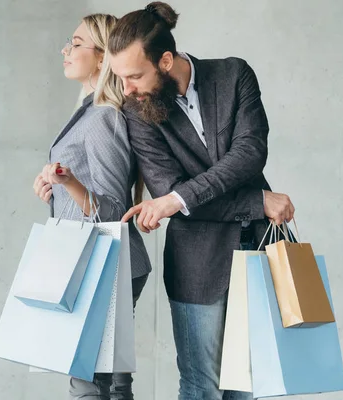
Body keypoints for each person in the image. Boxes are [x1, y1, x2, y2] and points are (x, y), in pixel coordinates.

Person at [104, 3, 295, 400]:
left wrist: (178, 198)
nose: (128, 89)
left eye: (135, 76)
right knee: (200, 385)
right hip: (197, 263)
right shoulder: (136, 112)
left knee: (250, 383)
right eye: (121, 78)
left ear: (166, 60)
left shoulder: (233, 74)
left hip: (262, 249)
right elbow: (168, 189)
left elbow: (248, 154)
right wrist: (257, 201)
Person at [32, 13, 151, 400]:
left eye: (76, 43)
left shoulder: (103, 117)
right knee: (111, 382)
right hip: (103, 263)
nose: (65, 50)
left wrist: (69, 181)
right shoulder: (89, 111)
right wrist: (56, 187)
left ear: (102, 59)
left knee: (87, 381)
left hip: (102, 265)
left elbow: (114, 209)